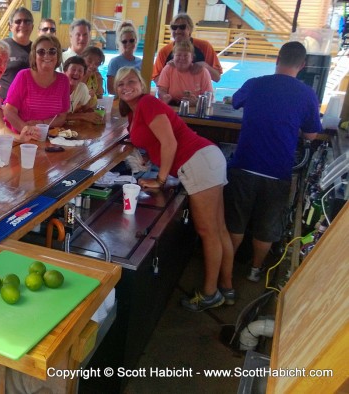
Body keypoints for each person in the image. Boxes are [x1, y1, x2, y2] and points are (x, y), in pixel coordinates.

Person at [114, 67, 233, 312]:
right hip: (205, 159)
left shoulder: (147, 103)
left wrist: (159, 178)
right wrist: (151, 160)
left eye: (132, 81)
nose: (126, 86)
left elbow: (170, 141)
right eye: (120, 83)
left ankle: (210, 294)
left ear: (142, 83)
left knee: (208, 231)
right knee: (218, 229)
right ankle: (226, 287)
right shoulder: (135, 112)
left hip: (196, 162)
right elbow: (156, 141)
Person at [225, 41, 321, 283]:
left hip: (244, 164)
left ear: (277, 59)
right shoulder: (307, 93)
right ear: (303, 65)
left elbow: (234, 101)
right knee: (265, 228)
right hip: (278, 171)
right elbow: (311, 134)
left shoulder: (255, 83)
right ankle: (255, 270)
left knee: (235, 223)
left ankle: (224, 269)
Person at [3, 35, 70, 132]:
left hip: (49, 138)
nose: (46, 56)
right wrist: (27, 130)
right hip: (20, 138)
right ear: (34, 56)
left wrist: (42, 123)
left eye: (52, 51)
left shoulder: (63, 81)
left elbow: (61, 117)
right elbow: (8, 111)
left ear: (58, 55)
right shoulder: (24, 76)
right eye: (41, 52)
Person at [152, 13, 223, 82]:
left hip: (198, 91)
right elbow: (156, 78)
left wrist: (205, 66)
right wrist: (170, 70)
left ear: (190, 29)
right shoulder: (164, 51)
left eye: (182, 27)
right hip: (173, 92)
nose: (178, 31)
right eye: (174, 27)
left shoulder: (204, 47)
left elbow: (217, 78)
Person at [157, 40, 214, 106]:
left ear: (192, 58)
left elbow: (209, 97)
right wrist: (165, 97)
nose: (182, 58)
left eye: (186, 56)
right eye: (178, 55)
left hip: (195, 109)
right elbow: (161, 90)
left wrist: (197, 102)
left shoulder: (202, 72)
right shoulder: (168, 69)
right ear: (173, 57)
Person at [0, 7, 33, 100]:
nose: (23, 24)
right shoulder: (1, 48)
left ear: (32, 26)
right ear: (10, 26)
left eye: (27, 21)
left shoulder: (38, 50)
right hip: (4, 104)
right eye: (18, 21)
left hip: (30, 104)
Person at [63, 56, 103, 124]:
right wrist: (82, 116)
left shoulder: (82, 88)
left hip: (69, 129)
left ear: (83, 74)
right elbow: (55, 116)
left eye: (80, 71)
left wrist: (97, 116)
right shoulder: (57, 87)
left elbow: (86, 109)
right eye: (73, 69)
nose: (76, 73)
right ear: (65, 71)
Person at [107, 23, 142, 96]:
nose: (128, 43)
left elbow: (143, 85)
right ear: (120, 43)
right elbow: (110, 89)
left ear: (136, 41)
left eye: (131, 40)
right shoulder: (114, 62)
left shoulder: (141, 62)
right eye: (124, 41)